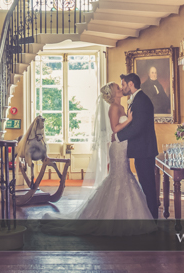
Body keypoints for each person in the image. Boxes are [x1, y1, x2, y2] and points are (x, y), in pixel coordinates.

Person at [40, 82, 155, 235]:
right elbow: (115, 129)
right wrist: (128, 120)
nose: (120, 89)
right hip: (118, 148)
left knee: (124, 177)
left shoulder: (121, 107)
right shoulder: (114, 108)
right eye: (117, 88)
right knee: (119, 177)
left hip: (124, 146)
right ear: (112, 94)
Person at [115, 72, 159, 220]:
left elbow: (138, 127)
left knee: (148, 186)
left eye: (123, 84)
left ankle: (153, 219)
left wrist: (118, 136)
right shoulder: (138, 99)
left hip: (145, 150)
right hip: (143, 150)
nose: (122, 88)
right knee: (145, 185)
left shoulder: (141, 100)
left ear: (131, 84)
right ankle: (150, 217)